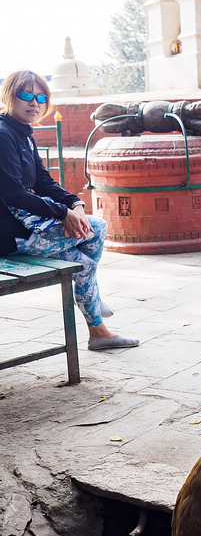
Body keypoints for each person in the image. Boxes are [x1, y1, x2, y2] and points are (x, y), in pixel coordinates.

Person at [0, 70, 139, 351]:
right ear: (8, 96)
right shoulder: (3, 135)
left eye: (40, 97)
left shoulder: (23, 134)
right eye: (25, 95)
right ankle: (95, 316)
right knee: (96, 230)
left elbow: (42, 181)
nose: (34, 102)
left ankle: (98, 328)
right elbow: (13, 193)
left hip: (25, 227)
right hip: (9, 235)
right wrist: (62, 213)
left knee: (85, 264)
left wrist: (74, 203)